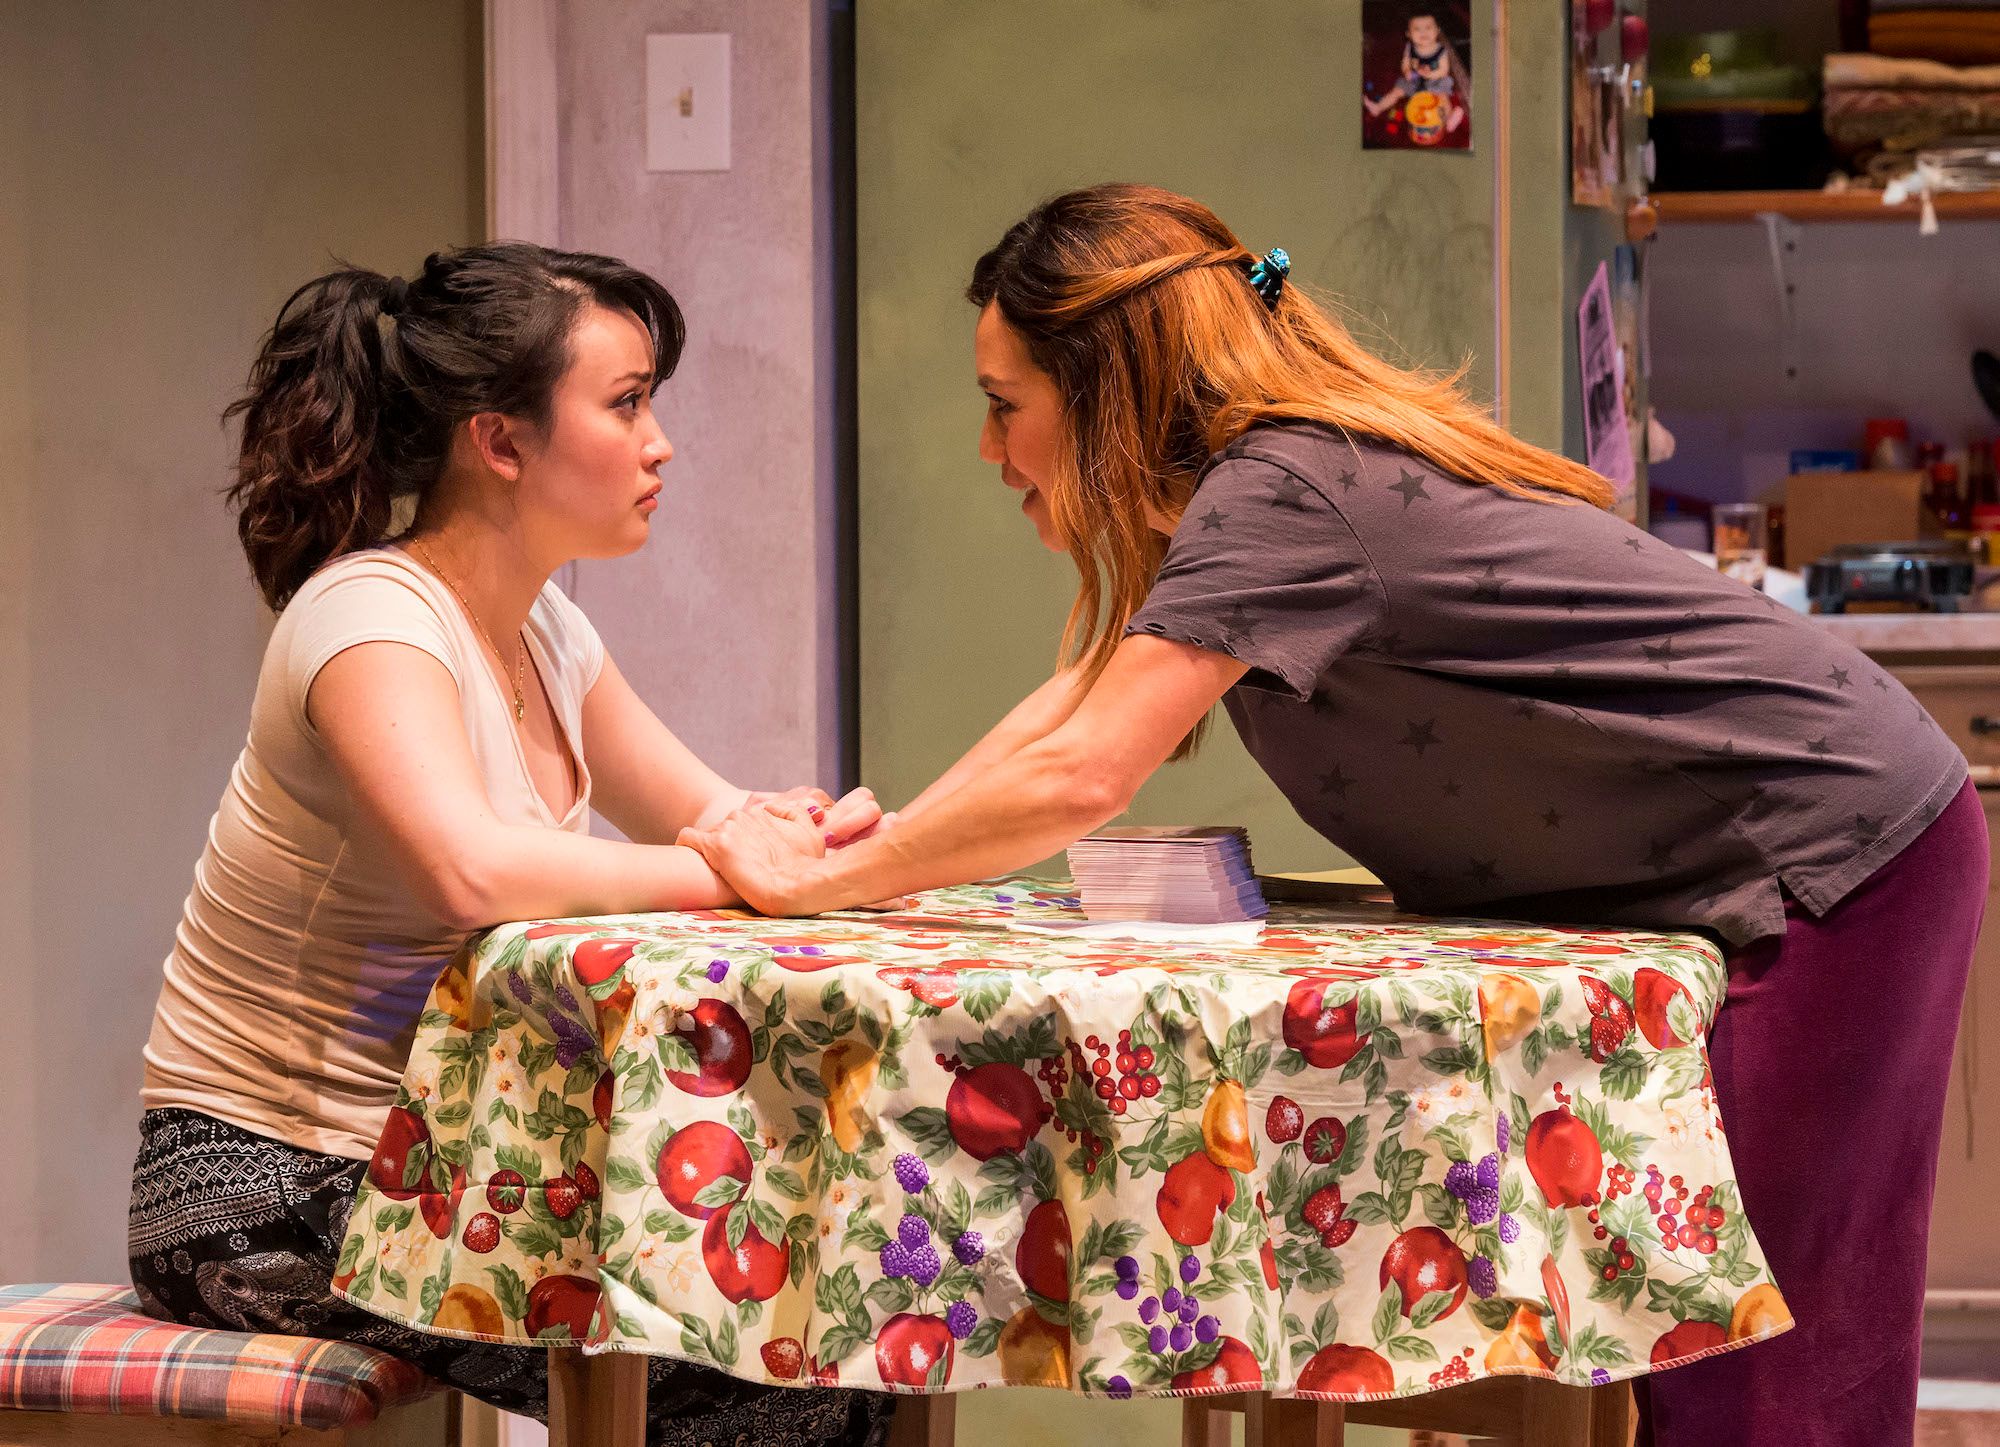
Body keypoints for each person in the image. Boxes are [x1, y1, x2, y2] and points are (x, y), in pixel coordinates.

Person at [679, 184, 1985, 1447]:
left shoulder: (1282, 495)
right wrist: (879, 849)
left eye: (1002, 405)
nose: (989, 449)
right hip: (1786, 844)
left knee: (1766, 1382)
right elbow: (1070, 710)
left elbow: (1085, 771)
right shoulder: (1252, 499)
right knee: (1698, 1351)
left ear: (1100, 388)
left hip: (1830, 848)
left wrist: (825, 884)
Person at [129, 242, 890, 1447]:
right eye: (626, 403)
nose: (659, 444)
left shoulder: (548, 633)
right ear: (499, 441)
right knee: (777, 1390)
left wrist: (806, 832)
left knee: (831, 1313)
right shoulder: (370, 618)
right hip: (259, 1188)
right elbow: (470, 868)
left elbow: (707, 815)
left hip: (420, 1166)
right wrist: (736, 867)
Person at [1364, 10, 1470, 134]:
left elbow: (1444, 70)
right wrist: (1407, 71)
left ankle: (1449, 118)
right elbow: (1405, 62)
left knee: (1443, 98)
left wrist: (1430, 74)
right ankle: (1378, 107)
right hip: (1415, 80)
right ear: (1408, 34)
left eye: (1428, 28)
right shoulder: (1410, 47)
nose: (1423, 32)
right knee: (1396, 91)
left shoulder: (1441, 50)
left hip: (1436, 80)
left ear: (1437, 31)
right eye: (1417, 29)